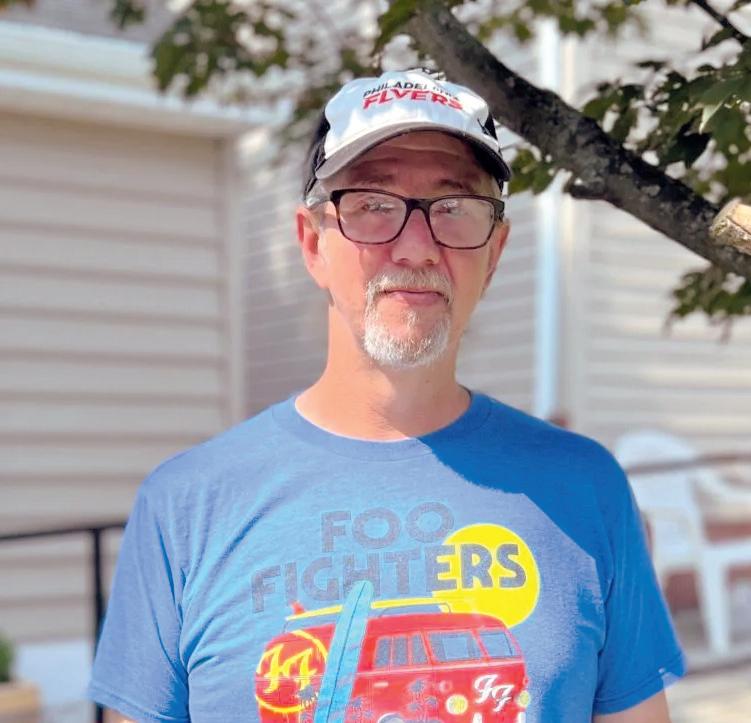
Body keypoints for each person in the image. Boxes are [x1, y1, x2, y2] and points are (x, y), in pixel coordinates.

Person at [90, 68, 685, 723]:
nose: (416, 247)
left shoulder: (584, 487)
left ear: (494, 253)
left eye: (453, 207)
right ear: (312, 243)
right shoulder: (185, 506)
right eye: (373, 204)